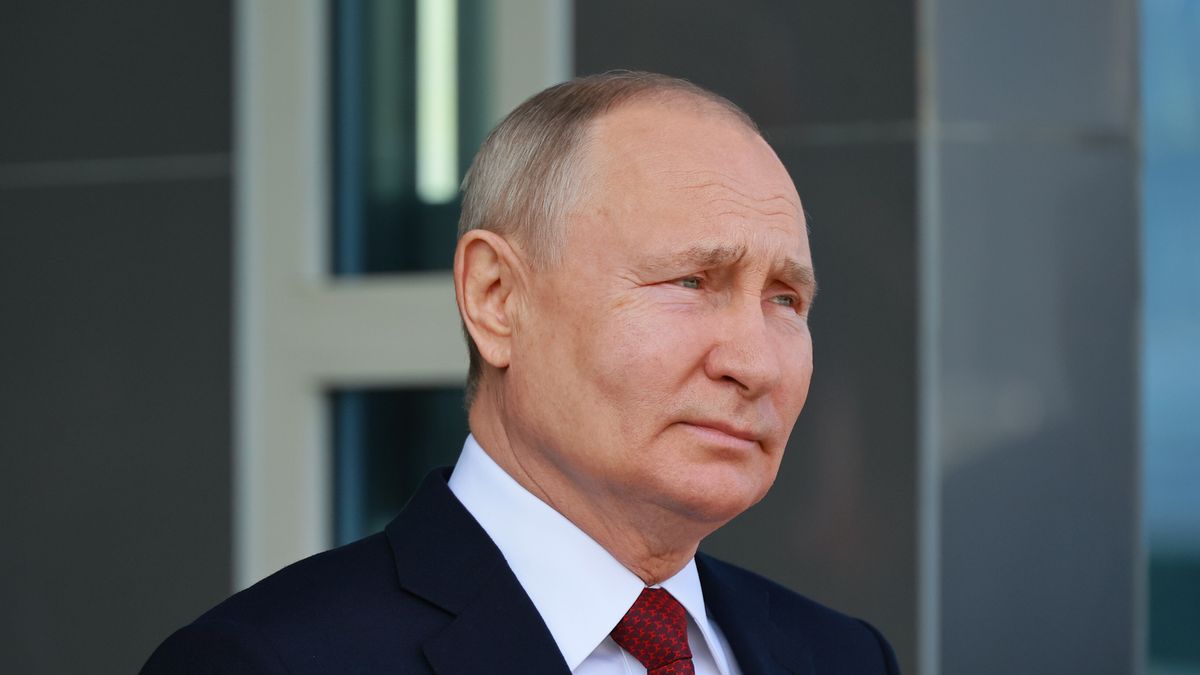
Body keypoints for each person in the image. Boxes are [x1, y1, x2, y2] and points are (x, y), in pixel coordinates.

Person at [142, 71, 900, 675]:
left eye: (784, 298)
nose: (753, 362)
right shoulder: (270, 661)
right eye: (690, 282)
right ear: (497, 299)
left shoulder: (842, 656)